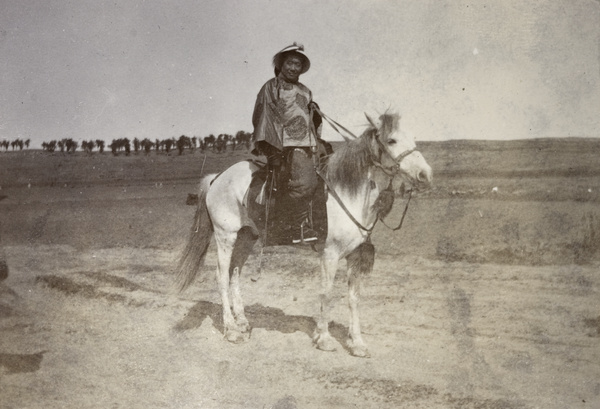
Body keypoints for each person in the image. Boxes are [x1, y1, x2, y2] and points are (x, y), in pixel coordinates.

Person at [251, 43, 325, 244]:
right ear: (281, 65)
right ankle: (290, 227)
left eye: (298, 64)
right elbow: (264, 116)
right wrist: (272, 149)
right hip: (285, 146)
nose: (294, 67)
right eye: (290, 63)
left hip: (309, 144)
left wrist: (316, 115)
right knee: (306, 184)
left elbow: (309, 119)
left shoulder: (306, 91)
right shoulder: (271, 87)